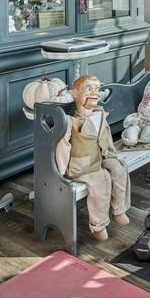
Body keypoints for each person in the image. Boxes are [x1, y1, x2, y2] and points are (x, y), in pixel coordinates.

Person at [56, 74, 130, 241]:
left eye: (97, 88)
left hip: (101, 155)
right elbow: (63, 145)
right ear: (75, 94)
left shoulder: (100, 114)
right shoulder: (71, 122)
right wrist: (60, 172)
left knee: (119, 168)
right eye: (88, 88)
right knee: (101, 180)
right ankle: (99, 225)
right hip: (83, 164)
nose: (94, 92)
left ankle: (119, 209)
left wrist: (111, 153)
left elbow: (106, 135)